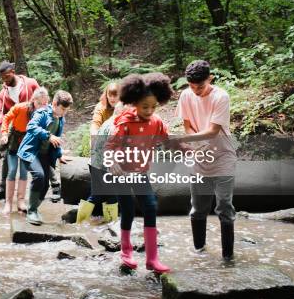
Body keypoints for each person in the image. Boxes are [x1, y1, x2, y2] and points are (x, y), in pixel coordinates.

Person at [107, 73, 172, 273]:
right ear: (134, 102)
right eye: (145, 107)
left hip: (140, 172)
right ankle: (126, 252)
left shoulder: (157, 122)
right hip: (121, 174)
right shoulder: (124, 121)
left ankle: (152, 259)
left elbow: (168, 141)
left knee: (150, 206)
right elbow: (111, 146)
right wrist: (114, 161)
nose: (150, 111)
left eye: (154, 106)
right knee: (127, 209)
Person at [175, 60, 237, 261]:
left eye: (200, 87)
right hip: (199, 157)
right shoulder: (186, 95)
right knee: (198, 208)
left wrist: (184, 140)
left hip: (223, 157)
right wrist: (194, 146)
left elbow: (212, 132)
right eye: (191, 86)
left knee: (224, 208)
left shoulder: (221, 96)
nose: (195, 91)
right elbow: (187, 126)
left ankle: (228, 257)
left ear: (210, 79)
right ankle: (199, 253)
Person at [0, 61, 39, 203]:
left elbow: (43, 100)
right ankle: (3, 189)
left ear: (13, 72)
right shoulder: (3, 93)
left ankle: (47, 186)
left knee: (38, 156)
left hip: (34, 128)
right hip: (16, 129)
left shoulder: (30, 84)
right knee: (8, 155)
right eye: (3, 78)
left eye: (7, 76)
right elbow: (2, 112)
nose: (5, 80)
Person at [17, 90, 73, 225]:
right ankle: (31, 211)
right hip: (30, 152)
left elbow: (56, 139)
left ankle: (34, 209)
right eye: (63, 109)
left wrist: (59, 155)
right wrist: (48, 136)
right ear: (54, 103)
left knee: (45, 185)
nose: (64, 112)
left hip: (45, 155)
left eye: (67, 110)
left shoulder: (60, 119)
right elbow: (31, 126)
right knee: (39, 176)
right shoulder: (41, 113)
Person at [0, 87, 50, 215]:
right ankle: (8, 202)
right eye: (39, 103)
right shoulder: (20, 108)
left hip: (29, 144)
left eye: (44, 104)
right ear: (33, 100)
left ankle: (21, 201)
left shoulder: (46, 113)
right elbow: (6, 118)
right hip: (15, 140)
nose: (41, 107)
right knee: (12, 170)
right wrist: (4, 134)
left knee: (23, 171)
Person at [76, 100, 123, 224]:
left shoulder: (109, 122)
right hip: (102, 166)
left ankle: (81, 220)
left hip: (96, 163)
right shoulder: (114, 126)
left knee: (105, 194)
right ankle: (110, 222)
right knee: (103, 195)